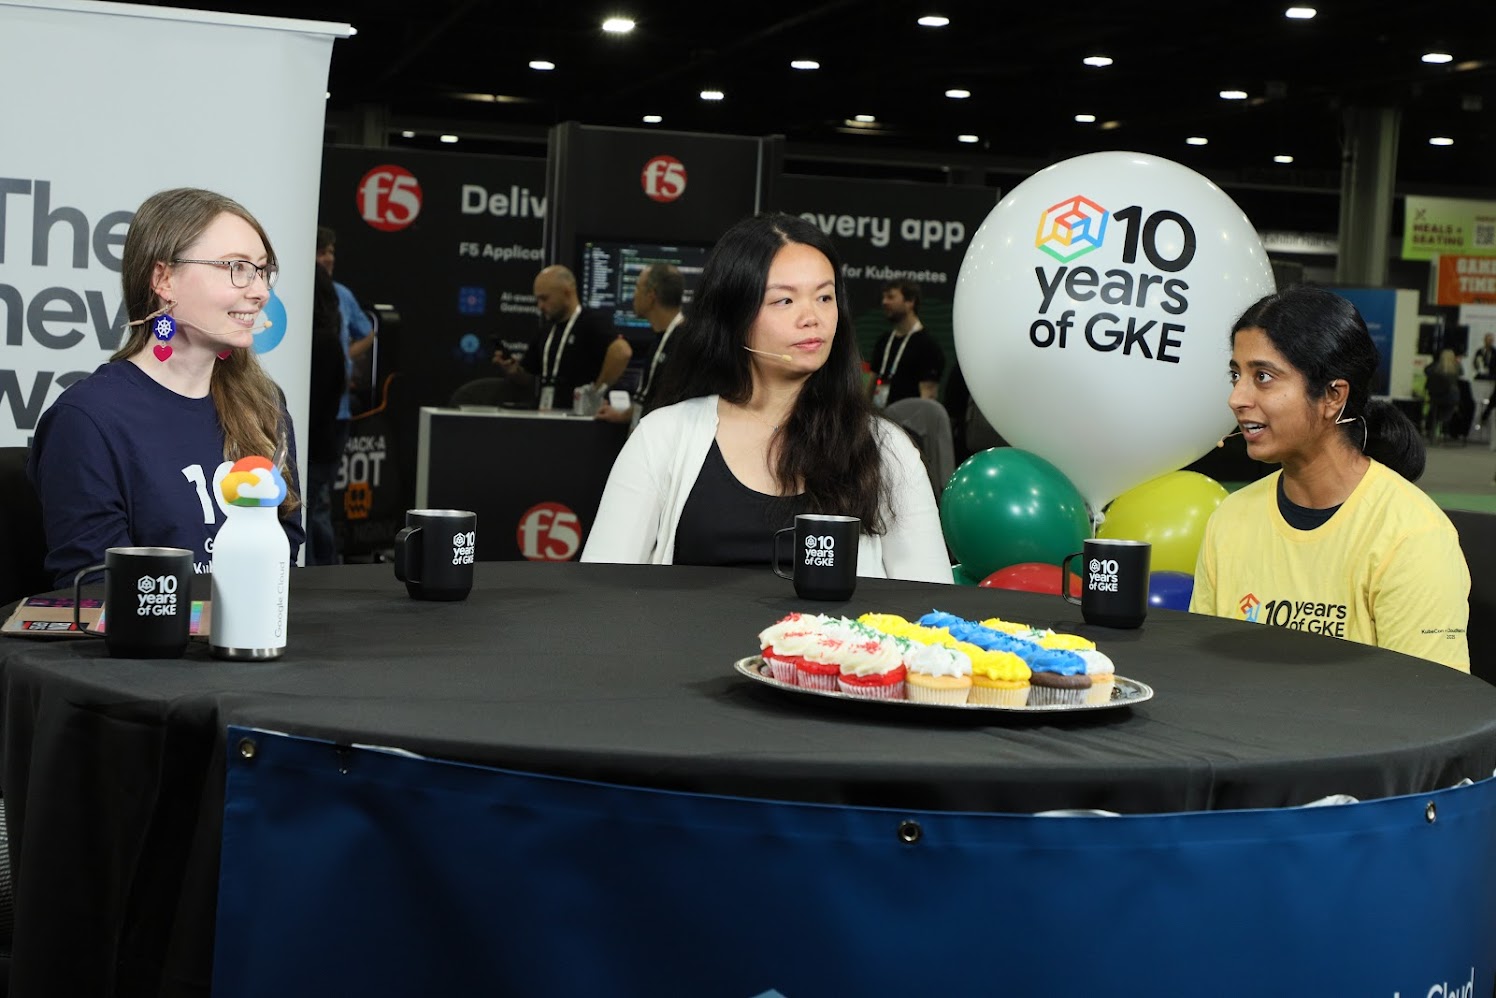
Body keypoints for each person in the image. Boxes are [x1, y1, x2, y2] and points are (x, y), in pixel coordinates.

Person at [581, 212, 952, 583]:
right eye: (784, 301)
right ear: (734, 315)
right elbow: (600, 589)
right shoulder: (661, 437)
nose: (812, 317)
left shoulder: (885, 448)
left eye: (824, 296)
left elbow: (930, 602)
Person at [28, 187, 305, 585]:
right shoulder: (87, 419)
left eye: (261, 270)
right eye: (236, 268)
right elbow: (97, 587)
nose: (260, 291)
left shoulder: (263, 404)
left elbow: (285, 554)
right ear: (164, 279)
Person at [1189, 287, 1469, 671]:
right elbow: (1208, 669)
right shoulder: (1230, 519)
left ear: (1333, 396)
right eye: (1236, 375)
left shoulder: (1412, 536)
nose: (1237, 398)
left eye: (1263, 376)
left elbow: (1429, 705)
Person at [493, 265, 631, 407]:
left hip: (580, 418)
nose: (540, 306)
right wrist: (512, 370)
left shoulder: (591, 322)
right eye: (538, 300)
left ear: (567, 293)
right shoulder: (546, 331)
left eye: (544, 298)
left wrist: (596, 391)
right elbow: (527, 376)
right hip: (548, 413)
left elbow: (622, 352)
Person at [595, 262, 685, 426]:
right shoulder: (660, 338)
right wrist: (623, 415)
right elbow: (649, 400)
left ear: (651, 296)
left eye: (636, 288)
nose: (633, 296)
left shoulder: (685, 343)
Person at [304, 263, 351, 565]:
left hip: (314, 449)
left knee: (312, 516)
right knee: (316, 513)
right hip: (323, 446)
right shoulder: (329, 341)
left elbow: (322, 399)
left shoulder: (317, 343)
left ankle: (317, 573)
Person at [867, 280, 944, 408]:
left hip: (909, 425)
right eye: (884, 297)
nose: (884, 302)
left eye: (891, 297)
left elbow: (928, 399)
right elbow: (870, 386)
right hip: (880, 421)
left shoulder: (928, 346)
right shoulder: (884, 341)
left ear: (910, 302)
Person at [1422, 348, 1462, 442]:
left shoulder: (1436, 367)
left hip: (1437, 397)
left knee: (1434, 410)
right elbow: (1461, 374)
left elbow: (1426, 370)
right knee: (1449, 410)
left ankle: (1431, 430)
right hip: (1451, 398)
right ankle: (1445, 429)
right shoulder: (1457, 367)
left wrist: (1435, 361)